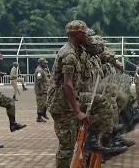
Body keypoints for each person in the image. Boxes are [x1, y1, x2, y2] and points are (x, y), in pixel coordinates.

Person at [47, 20, 89, 168]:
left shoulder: (75, 51)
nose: (87, 36)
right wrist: (77, 111)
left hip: (66, 105)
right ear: (77, 34)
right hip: (62, 106)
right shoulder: (69, 54)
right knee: (66, 145)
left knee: (72, 142)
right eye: (85, 33)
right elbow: (67, 84)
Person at [34, 58, 50, 122]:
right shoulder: (39, 71)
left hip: (44, 89)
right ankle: (39, 117)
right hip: (41, 90)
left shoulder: (43, 70)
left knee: (45, 103)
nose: (46, 64)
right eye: (44, 63)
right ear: (41, 63)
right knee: (40, 103)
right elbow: (39, 81)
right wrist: (40, 90)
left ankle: (43, 113)